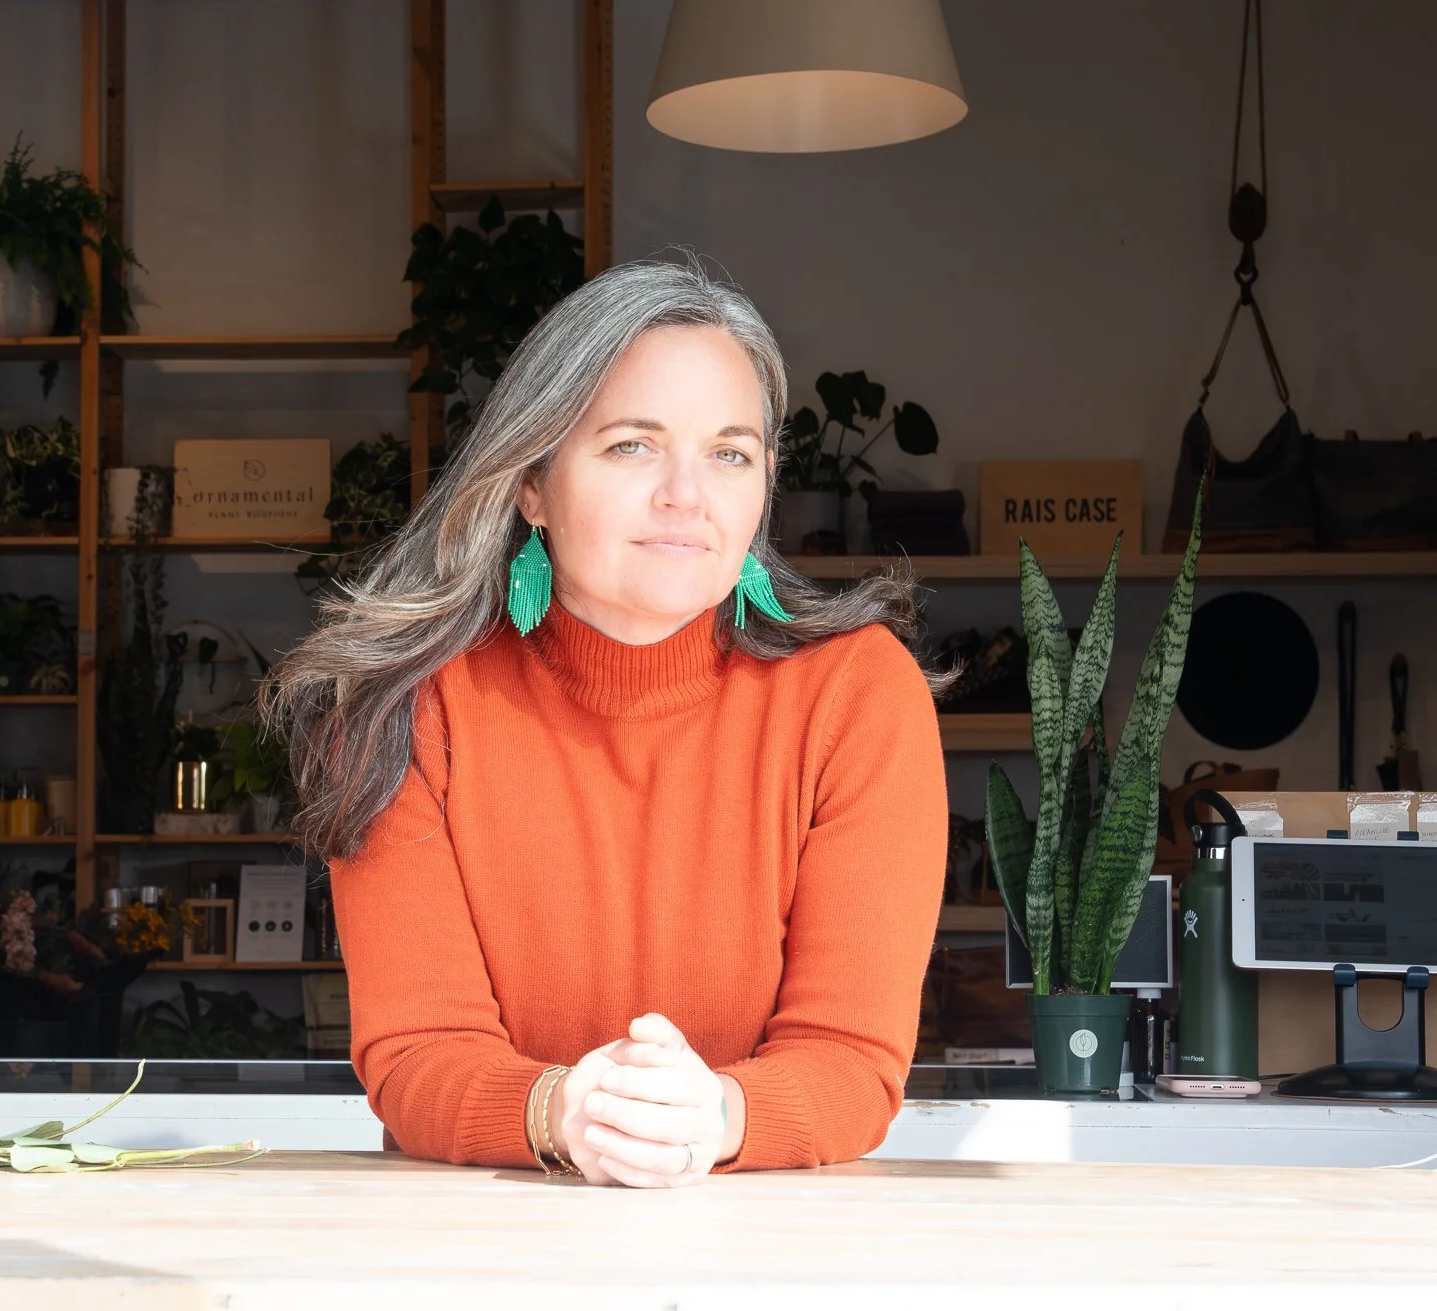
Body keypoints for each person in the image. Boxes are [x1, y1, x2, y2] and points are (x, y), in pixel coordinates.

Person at [265, 253, 949, 1187]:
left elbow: (850, 1058)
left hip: (763, 1256)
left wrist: (710, 1116)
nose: (686, 495)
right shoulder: (408, 704)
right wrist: (564, 1111)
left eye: (730, 452)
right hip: (478, 1256)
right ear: (532, 482)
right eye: (632, 444)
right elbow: (418, 1052)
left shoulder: (857, 695)